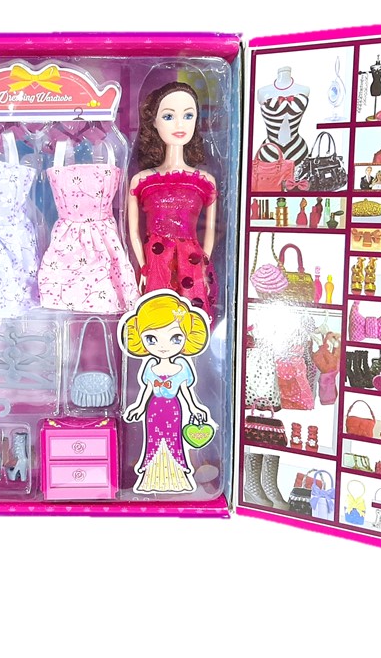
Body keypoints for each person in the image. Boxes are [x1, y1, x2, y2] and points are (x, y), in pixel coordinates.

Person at [128, 82, 217, 312]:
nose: (180, 124)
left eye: (188, 115)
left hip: (191, 263)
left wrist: (204, 267)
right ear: (153, 122)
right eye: (168, 116)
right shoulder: (142, 181)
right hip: (157, 260)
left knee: (190, 319)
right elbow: (133, 232)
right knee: (156, 316)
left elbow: (210, 231)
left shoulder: (204, 181)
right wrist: (144, 267)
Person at [120, 292, 215, 493]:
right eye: (151, 338)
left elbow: (186, 391)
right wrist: (139, 407)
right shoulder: (150, 366)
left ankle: (174, 478)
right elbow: (147, 390)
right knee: (153, 441)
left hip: (173, 409)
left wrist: (194, 408)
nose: (163, 346)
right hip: (153, 409)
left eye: (175, 337)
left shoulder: (182, 366)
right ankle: (153, 479)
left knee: (173, 441)